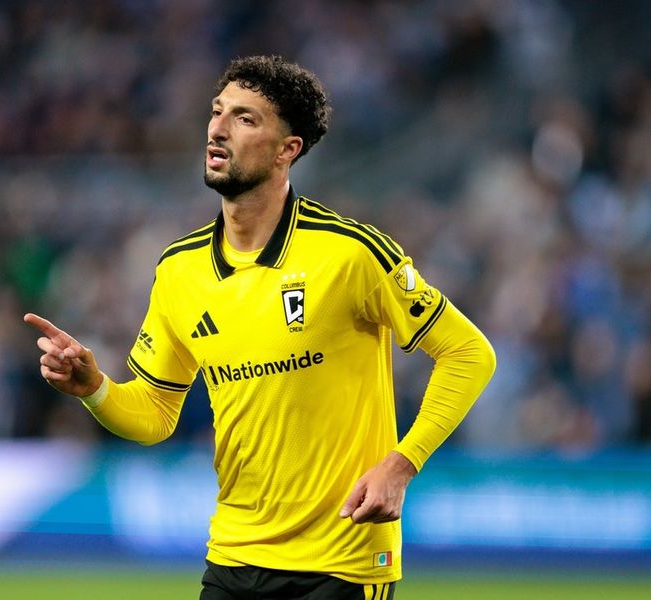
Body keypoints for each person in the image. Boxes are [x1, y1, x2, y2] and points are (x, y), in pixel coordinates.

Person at [25, 55, 496, 599]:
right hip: (232, 558)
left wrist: (401, 463)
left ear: (286, 150)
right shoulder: (179, 270)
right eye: (217, 111)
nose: (218, 128)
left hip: (341, 563)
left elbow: (469, 353)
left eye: (246, 119)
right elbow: (155, 414)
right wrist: (95, 390)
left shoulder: (350, 253)